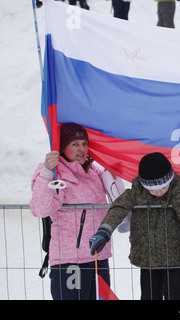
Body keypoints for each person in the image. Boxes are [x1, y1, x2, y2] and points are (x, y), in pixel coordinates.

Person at [89, 152, 180, 300]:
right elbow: (118, 208)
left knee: (176, 296)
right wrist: (104, 231)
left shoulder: (179, 196)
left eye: (163, 187)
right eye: (153, 189)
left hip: (175, 261)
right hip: (147, 260)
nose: (158, 192)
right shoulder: (136, 193)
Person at [30, 123, 112, 300]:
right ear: (62, 147)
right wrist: (46, 172)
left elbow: (116, 198)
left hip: (98, 258)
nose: (82, 149)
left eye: (84, 143)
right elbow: (40, 209)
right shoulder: (55, 172)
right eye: (75, 144)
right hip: (70, 262)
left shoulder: (93, 172)